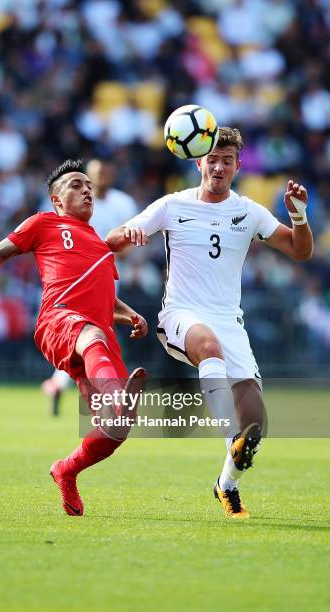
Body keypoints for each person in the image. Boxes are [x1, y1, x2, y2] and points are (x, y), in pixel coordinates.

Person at [107, 127, 313, 519]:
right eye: (213, 159)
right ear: (198, 161)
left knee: (257, 425)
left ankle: (225, 485)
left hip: (229, 321)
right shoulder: (173, 205)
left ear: (237, 166)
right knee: (209, 349)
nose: (219, 166)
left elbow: (300, 251)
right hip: (181, 315)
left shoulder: (249, 211)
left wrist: (299, 214)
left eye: (228, 160)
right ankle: (229, 438)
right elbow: (113, 238)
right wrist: (128, 232)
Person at [0, 159, 148, 517]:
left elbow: (104, 299)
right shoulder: (44, 223)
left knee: (116, 429)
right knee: (95, 339)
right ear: (56, 199)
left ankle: (66, 470)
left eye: (89, 187)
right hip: (58, 321)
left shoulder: (100, 247)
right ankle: (114, 394)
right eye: (77, 185)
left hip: (95, 334)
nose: (87, 190)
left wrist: (129, 315)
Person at [41, 157, 138, 415]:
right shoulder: (72, 201)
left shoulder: (123, 203)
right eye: (96, 173)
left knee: (89, 336)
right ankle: (110, 393)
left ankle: (60, 385)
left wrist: (115, 248)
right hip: (71, 277)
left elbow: (129, 242)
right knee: (89, 335)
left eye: (105, 172)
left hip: (107, 274)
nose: (100, 178)